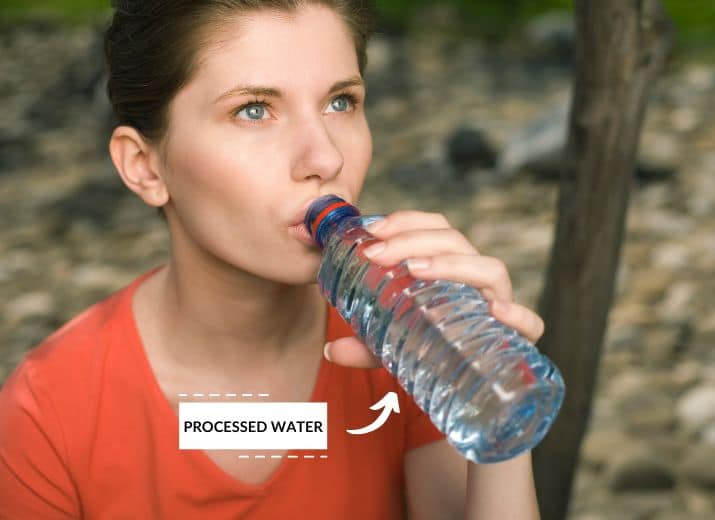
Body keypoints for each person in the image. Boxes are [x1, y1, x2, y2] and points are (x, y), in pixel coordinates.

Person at [0, 1, 546, 518]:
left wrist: (494, 391)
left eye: (341, 102)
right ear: (145, 167)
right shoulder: (49, 414)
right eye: (254, 110)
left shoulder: (411, 339)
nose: (325, 157)